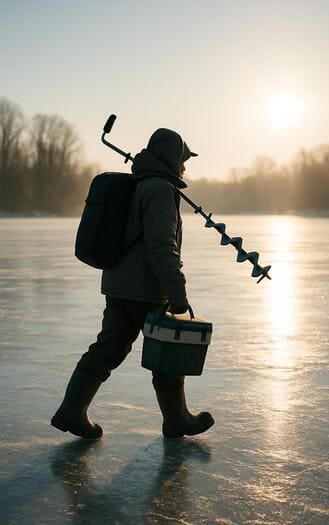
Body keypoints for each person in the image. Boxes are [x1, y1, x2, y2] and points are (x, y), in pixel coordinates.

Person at [51, 128, 215, 439]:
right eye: (183, 160)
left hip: (119, 284)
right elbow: (162, 246)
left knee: (108, 348)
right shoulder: (160, 190)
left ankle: (71, 410)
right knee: (168, 352)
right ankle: (176, 419)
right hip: (146, 289)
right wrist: (177, 293)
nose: (185, 167)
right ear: (171, 158)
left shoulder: (140, 184)